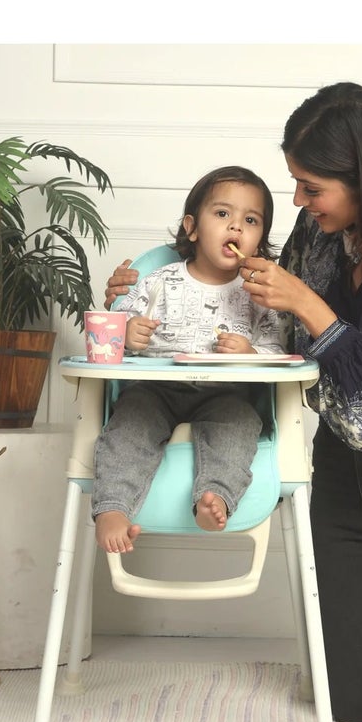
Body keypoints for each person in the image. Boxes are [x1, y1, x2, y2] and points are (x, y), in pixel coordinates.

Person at [104, 84, 362, 722]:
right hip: (339, 474)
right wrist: (143, 282)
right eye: (296, 185)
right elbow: (237, 280)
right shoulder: (320, 234)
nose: (298, 204)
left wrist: (310, 305)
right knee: (347, 706)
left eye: (311, 187)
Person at [93, 165, 284, 554]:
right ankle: (112, 508)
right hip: (155, 390)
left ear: (260, 238)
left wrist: (249, 354)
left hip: (226, 395)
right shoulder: (159, 278)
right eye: (222, 214)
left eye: (250, 220)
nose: (235, 228)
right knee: (129, 426)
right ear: (192, 228)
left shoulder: (259, 292)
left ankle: (214, 498)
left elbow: (278, 349)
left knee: (239, 425)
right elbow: (115, 330)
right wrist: (129, 334)